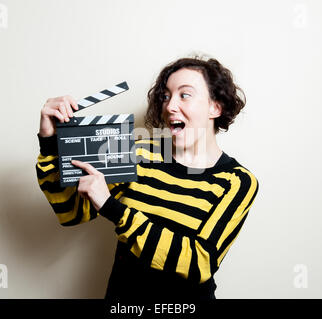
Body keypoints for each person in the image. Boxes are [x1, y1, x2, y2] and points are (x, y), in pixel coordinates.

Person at [35, 56, 259, 300]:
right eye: (165, 96)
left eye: (184, 95)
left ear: (215, 107)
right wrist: (49, 142)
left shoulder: (237, 181)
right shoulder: (139, 153)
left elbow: (198, 263)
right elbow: (70, 212)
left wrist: (113, 208)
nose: (170, 106)